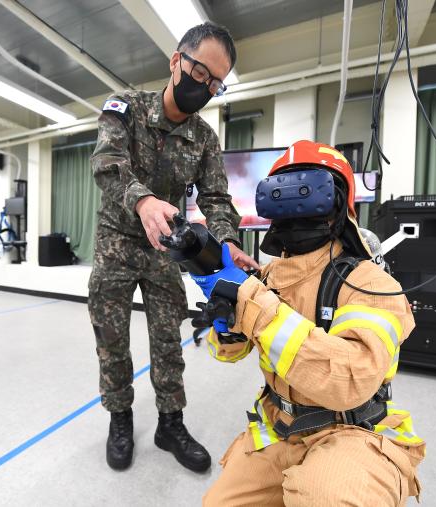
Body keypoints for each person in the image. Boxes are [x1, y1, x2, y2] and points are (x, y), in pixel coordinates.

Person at [191, 140, 425, 505]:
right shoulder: (265, 276)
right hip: (279, 427)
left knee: (328, 496)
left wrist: (252, 304)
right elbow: (229, 355)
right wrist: (227, 326)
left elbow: (347, 379)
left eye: (303, 190)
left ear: (337, 204)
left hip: (353, 431)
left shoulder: (371, 283)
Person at [89, 21, 259, 472]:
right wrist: (142, 201)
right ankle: (120, 418)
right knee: (112, 339)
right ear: (177, 61)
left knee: (168, 340)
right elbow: (107, 163)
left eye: (215, 84)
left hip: (165, 249)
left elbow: (217, 199)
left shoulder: (204, 138)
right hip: (117, 244)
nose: (204, 87)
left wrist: (227, 244)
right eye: (200, 73)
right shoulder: (125, 108)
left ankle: (170, 423)